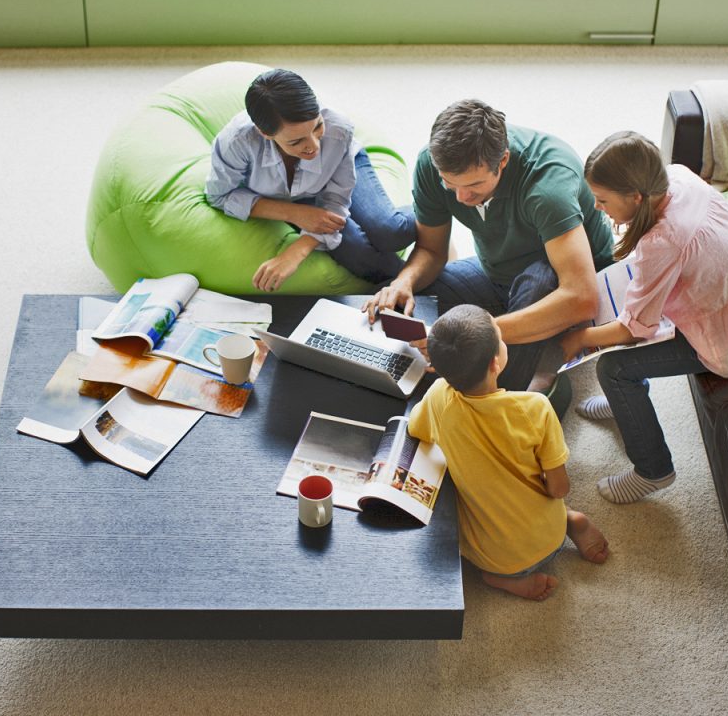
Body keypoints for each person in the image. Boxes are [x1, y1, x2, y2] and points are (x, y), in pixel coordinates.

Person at [560, 131, 728, 504]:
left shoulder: (662, 242)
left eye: (603, 200)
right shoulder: (678, 176)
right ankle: (624, 405)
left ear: (636, 197)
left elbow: (634, 329)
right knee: (625, 311)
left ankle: (654, 471)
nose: (597, 208)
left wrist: (579, 339)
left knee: (613, 369)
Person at [363, 99, 614, 413]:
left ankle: (516, 393)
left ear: (503, 160)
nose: (461, 197)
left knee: (534, 285)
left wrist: (482, 334)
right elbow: (431, 250)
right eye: (449, 184)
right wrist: (405, 281)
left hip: (562, 287)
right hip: (497, 273)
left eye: (474, 185)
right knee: (407, 301)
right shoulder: (431, 164)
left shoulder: (548, 185)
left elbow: (581, 298)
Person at [407, 304, 610, 601]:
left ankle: (504, 578)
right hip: (550, 534)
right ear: (495, 363)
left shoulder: (438, 396)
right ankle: (569, 521)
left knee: (465, 526)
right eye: (501, 338)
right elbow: (559, 488)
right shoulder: (535, 408)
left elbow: (416, 429)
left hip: (499, 558)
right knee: (538, 500)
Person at [206, 69, 415, 290]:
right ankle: (414, 283)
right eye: (296, 141)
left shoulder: (338, 129)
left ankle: (434, 205)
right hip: (289, 197)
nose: (314, 147)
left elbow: (336, 200)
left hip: (340, 168)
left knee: (390, 231)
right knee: (357, 253)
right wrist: (293, 213)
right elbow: (219, 195)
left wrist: (298, 249)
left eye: (317, 127)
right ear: (265, 133)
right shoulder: (237, 142)